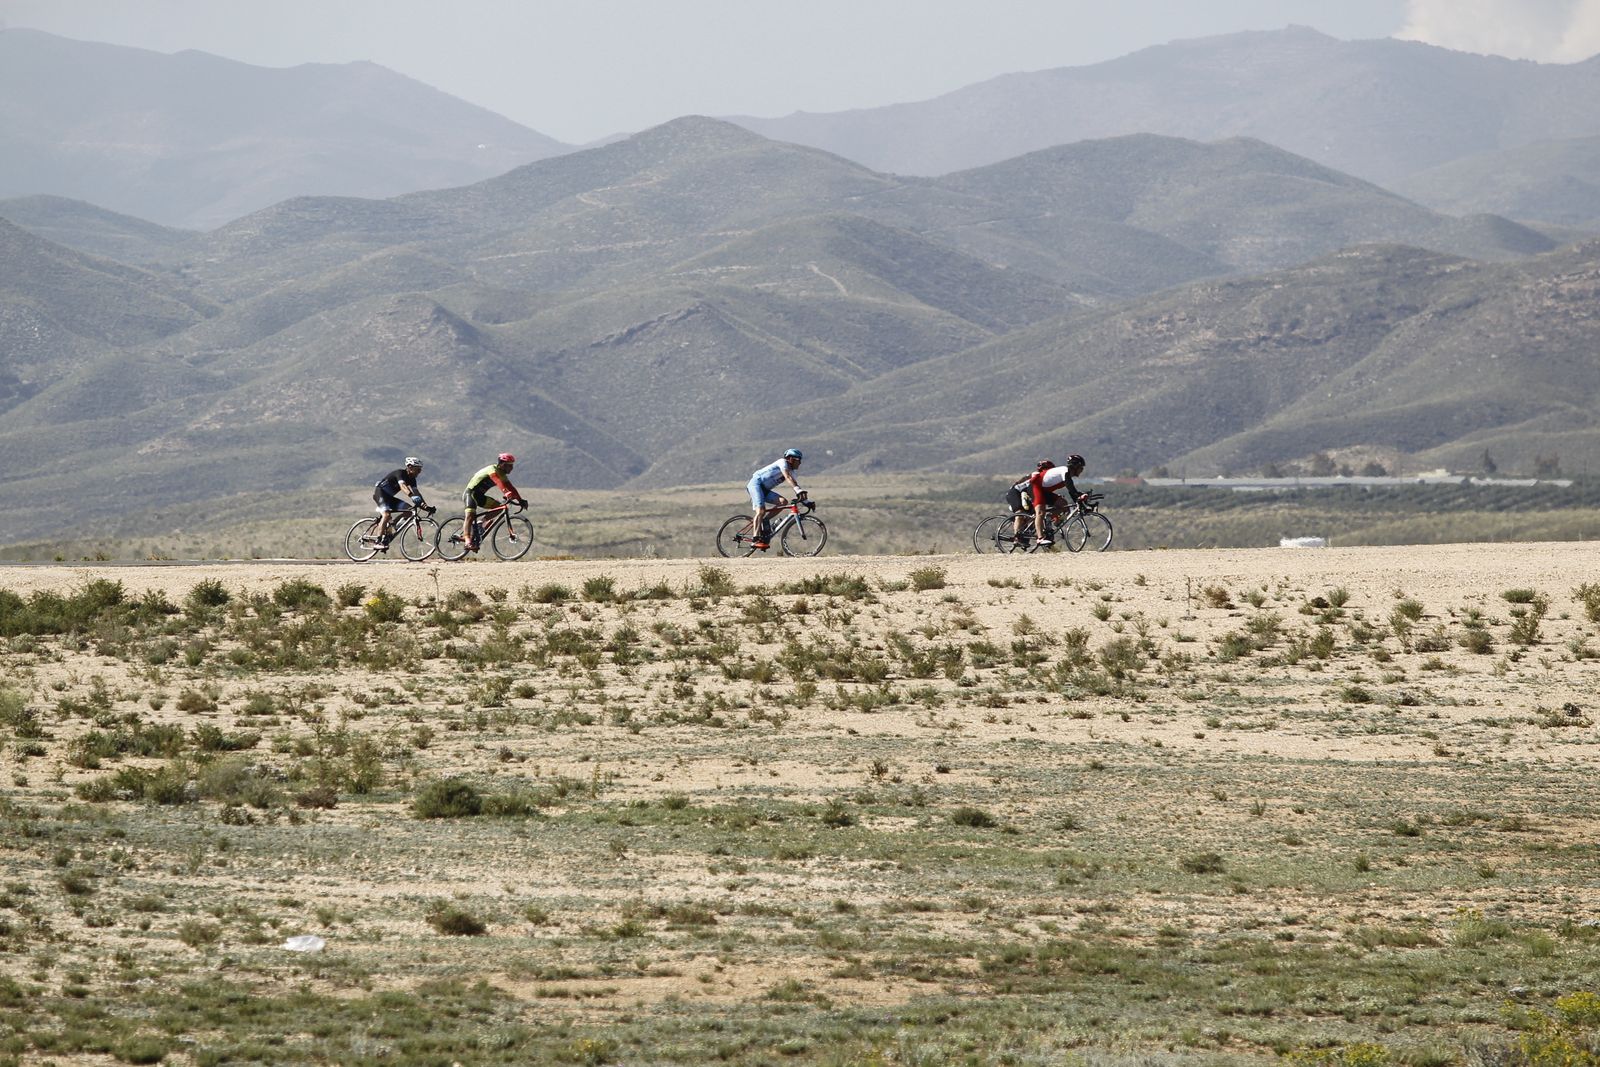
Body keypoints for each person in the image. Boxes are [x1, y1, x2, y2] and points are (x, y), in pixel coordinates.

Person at [1012, 454, 1087, 549]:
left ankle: (1049, 518)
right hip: (1035, 487)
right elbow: (1071, 488)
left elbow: (1072, 491)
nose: (1082, 470)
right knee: (1040, 512)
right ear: (1075, 466)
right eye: (1081, 468)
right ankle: (1040, 537)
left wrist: (1079, 497)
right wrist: (1078, 497)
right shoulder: (1065, 471)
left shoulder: (1067, 474)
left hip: (1043, 490)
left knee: (1063, 504)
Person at [462, 453, 526, 552]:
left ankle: (480, 523)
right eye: (508, 465)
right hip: (471, 494)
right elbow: (498, 482)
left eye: (512, 465)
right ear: (501, 464)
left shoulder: (502, 474)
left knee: (499, 508)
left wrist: (520, 500)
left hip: (480, 497)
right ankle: (467, 540)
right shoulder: (492, 470)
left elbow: (511, 487)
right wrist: (506, 492)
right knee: (470, 515)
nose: (511, 468)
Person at [747, 448, 805, 551]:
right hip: (756, 484)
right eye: (798, 460)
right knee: (761, 511)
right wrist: (797, 490)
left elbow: (795, 484)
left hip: (764, 489)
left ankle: (764, 521)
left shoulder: (792, 471)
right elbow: (787, 477)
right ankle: (755, 539)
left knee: (783, 502)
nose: (799, 463)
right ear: (790, 459)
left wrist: (806, 501)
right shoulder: (782, 462)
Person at [369, 457, 428, 546]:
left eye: (420, 470)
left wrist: (426, 507)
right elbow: (403, 487)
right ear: (410, 467)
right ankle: (378, 541)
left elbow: (417, 493)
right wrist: (412, 496)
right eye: (418, 470)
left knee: (409, 511)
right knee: (386, 515)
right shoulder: (400, 473)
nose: (419, 472)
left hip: (389, 498)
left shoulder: (412, 479)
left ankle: (392, 526)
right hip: (380, 494)